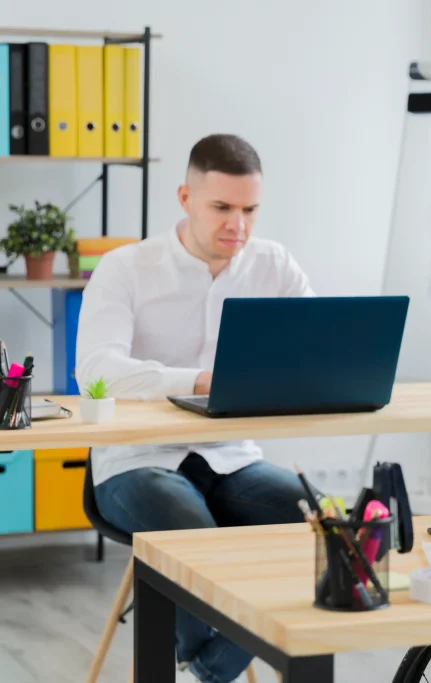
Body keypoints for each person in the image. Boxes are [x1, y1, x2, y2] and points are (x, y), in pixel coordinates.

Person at [76, 133, 314, 683]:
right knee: (194, 537)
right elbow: (95, 371)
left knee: (323, 529)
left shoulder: (273, 266)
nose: (239, 226)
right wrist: (203, 380)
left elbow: (313, 350)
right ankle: (206, 665)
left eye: (250, 210)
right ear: (185, 198)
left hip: (232, 458)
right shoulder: (125, 268)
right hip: (135, 462)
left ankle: (206, 669)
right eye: (222, 208)